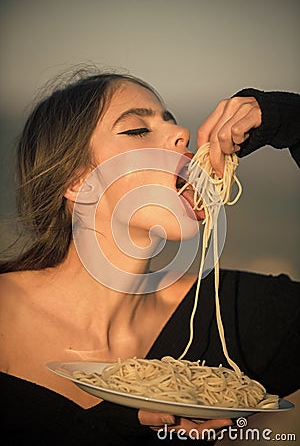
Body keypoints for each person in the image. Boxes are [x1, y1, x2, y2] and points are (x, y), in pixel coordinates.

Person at [0, 69, 299, 446]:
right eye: (138, 130)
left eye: (172, 122)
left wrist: (288, 119)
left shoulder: (227, 314)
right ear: (78, 182)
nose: (183, 135)